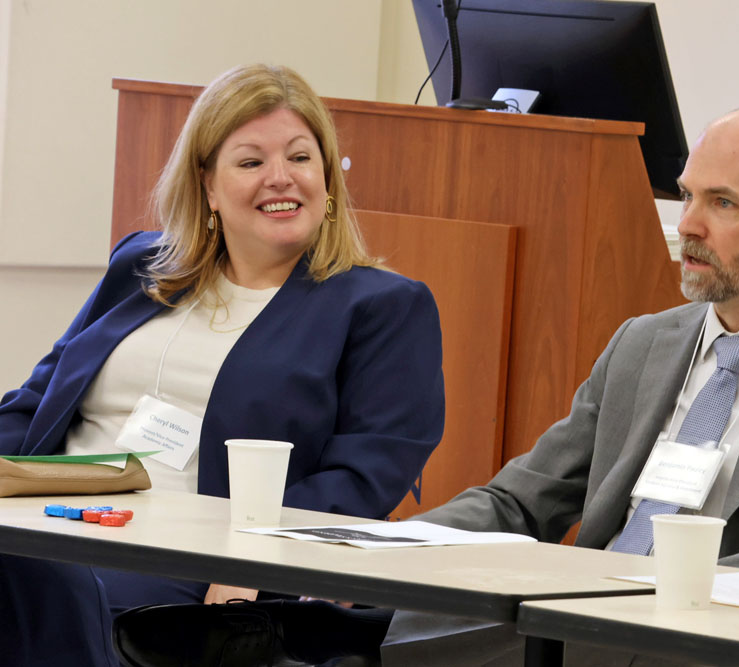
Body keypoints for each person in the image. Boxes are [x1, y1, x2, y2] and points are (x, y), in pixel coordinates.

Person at [113, 105, 739, 666]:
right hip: (578, 611)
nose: (686, 224)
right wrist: (378, 556)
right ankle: (327, 627)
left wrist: (629, 587)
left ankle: (316, 642)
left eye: (722, 203)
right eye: (686, 196)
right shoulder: (644, 344)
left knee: (511, 629)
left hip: (700, 633)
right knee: (453, 606)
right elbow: (518, 501)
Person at [0, 63, 445, 665]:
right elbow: (38, 400)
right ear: (207, 185)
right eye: (251, 161)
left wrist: (255, 558)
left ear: (328, 178)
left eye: (300, 157)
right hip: (49, 514)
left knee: (41, 582)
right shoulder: (142, 266)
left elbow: (363, 477)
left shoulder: (380, 306)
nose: (281, 178)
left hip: (180, 556)